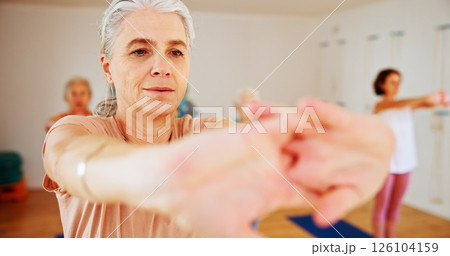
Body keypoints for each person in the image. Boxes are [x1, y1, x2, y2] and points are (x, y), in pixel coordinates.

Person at [42, 0, 395, 238]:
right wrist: (154, 172)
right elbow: (74, 159)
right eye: (140, 50)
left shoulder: (206, 131)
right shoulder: (74, 130)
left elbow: (247, 139)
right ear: (108, 68)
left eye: (176, 52)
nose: (162, 66)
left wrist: (334, 147)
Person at [371, 68, 450, 238]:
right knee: (382, 207)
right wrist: (427, 97)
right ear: (381, 84)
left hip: (406, 162)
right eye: (393, 82)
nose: (397, 86)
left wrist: (440, 99)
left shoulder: (407, 106)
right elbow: (401, 103)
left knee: (395, 207)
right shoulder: (380, 106)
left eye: (399, 82)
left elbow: (426, 104)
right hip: (387, 164)